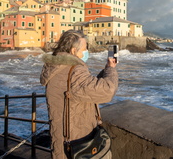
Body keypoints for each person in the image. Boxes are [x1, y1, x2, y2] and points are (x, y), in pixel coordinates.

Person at [40, 30, 118, 159]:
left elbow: (84, 88)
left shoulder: (56, 66)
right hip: (78, 141)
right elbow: (107, 91)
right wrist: (111, 69)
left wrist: (105, 71)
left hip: (61, 137)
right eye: (84, 48)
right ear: (73, 51)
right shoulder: (74, 70)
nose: (87, 51)